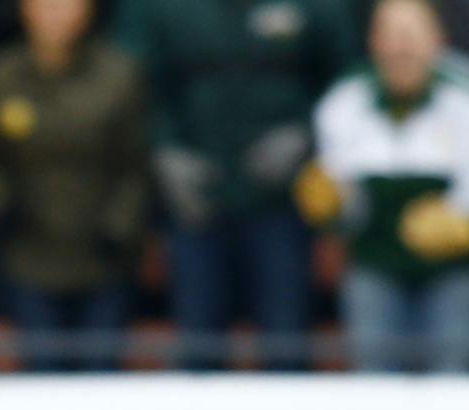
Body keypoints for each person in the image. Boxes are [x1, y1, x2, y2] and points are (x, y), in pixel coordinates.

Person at [113, 0, 357, 366]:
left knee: (286, 344)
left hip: (283, 204)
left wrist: (306, 134)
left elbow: (346, 81)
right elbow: (132, 83)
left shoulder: (319, 7)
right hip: (195, 200)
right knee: (199, 347)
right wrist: (164, 149)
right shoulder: (156, 8)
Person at [302, 0, 469, 371]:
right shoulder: (344, 103)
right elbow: (341, 198)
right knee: (374, 370)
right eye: (391, 35)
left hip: (456, 268)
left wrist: (463, 225)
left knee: (453, 367)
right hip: (376, 261)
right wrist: (334, 208)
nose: (402, 47)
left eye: (412, 35)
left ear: (437, 40)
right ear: (374, 42)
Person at [0, 0, 146, 371]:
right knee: (41, 380)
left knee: (100, 378)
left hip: (103, 254)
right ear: (25, 9)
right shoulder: (2, 74)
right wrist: (0, 205)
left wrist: (120, 225)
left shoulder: (118, 74)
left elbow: (136, 162)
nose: (58, 13)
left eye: (69, 4)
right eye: (47, 4)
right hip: (29, 253)